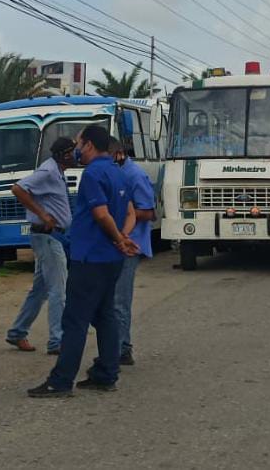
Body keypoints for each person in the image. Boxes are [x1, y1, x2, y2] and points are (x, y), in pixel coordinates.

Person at [28, 125, 139, 398]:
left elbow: (101, 214)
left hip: (90, 257)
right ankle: (105, 374)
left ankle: (61, 381)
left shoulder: (92, 174)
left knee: (75, 320)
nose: (76, 149)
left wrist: (117, 238)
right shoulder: (118, 172)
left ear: (88, 145)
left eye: (78, 143)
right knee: (105, 316)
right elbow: (128, 211)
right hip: (111, 259)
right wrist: (122, 238)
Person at [5, 137, 76, 355]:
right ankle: (57, 340)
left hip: (54, 236)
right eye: (72, 152)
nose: (76, 155)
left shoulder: (58, 172)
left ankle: (17, 332)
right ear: (63, 155)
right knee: (58, 290)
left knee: (40, 290)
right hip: (48, 237)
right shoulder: (47, 172)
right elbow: (17, 189)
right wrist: (43, 214)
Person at [109, 137, 156, 366]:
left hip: (131, 244)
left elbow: (149, 212)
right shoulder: (116, 173)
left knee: (120, 299)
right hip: (117, 242)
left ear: (118, 153)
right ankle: (118, 346)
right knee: (112, 299)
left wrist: (125, 216)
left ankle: (123, 349)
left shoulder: (134, 175)